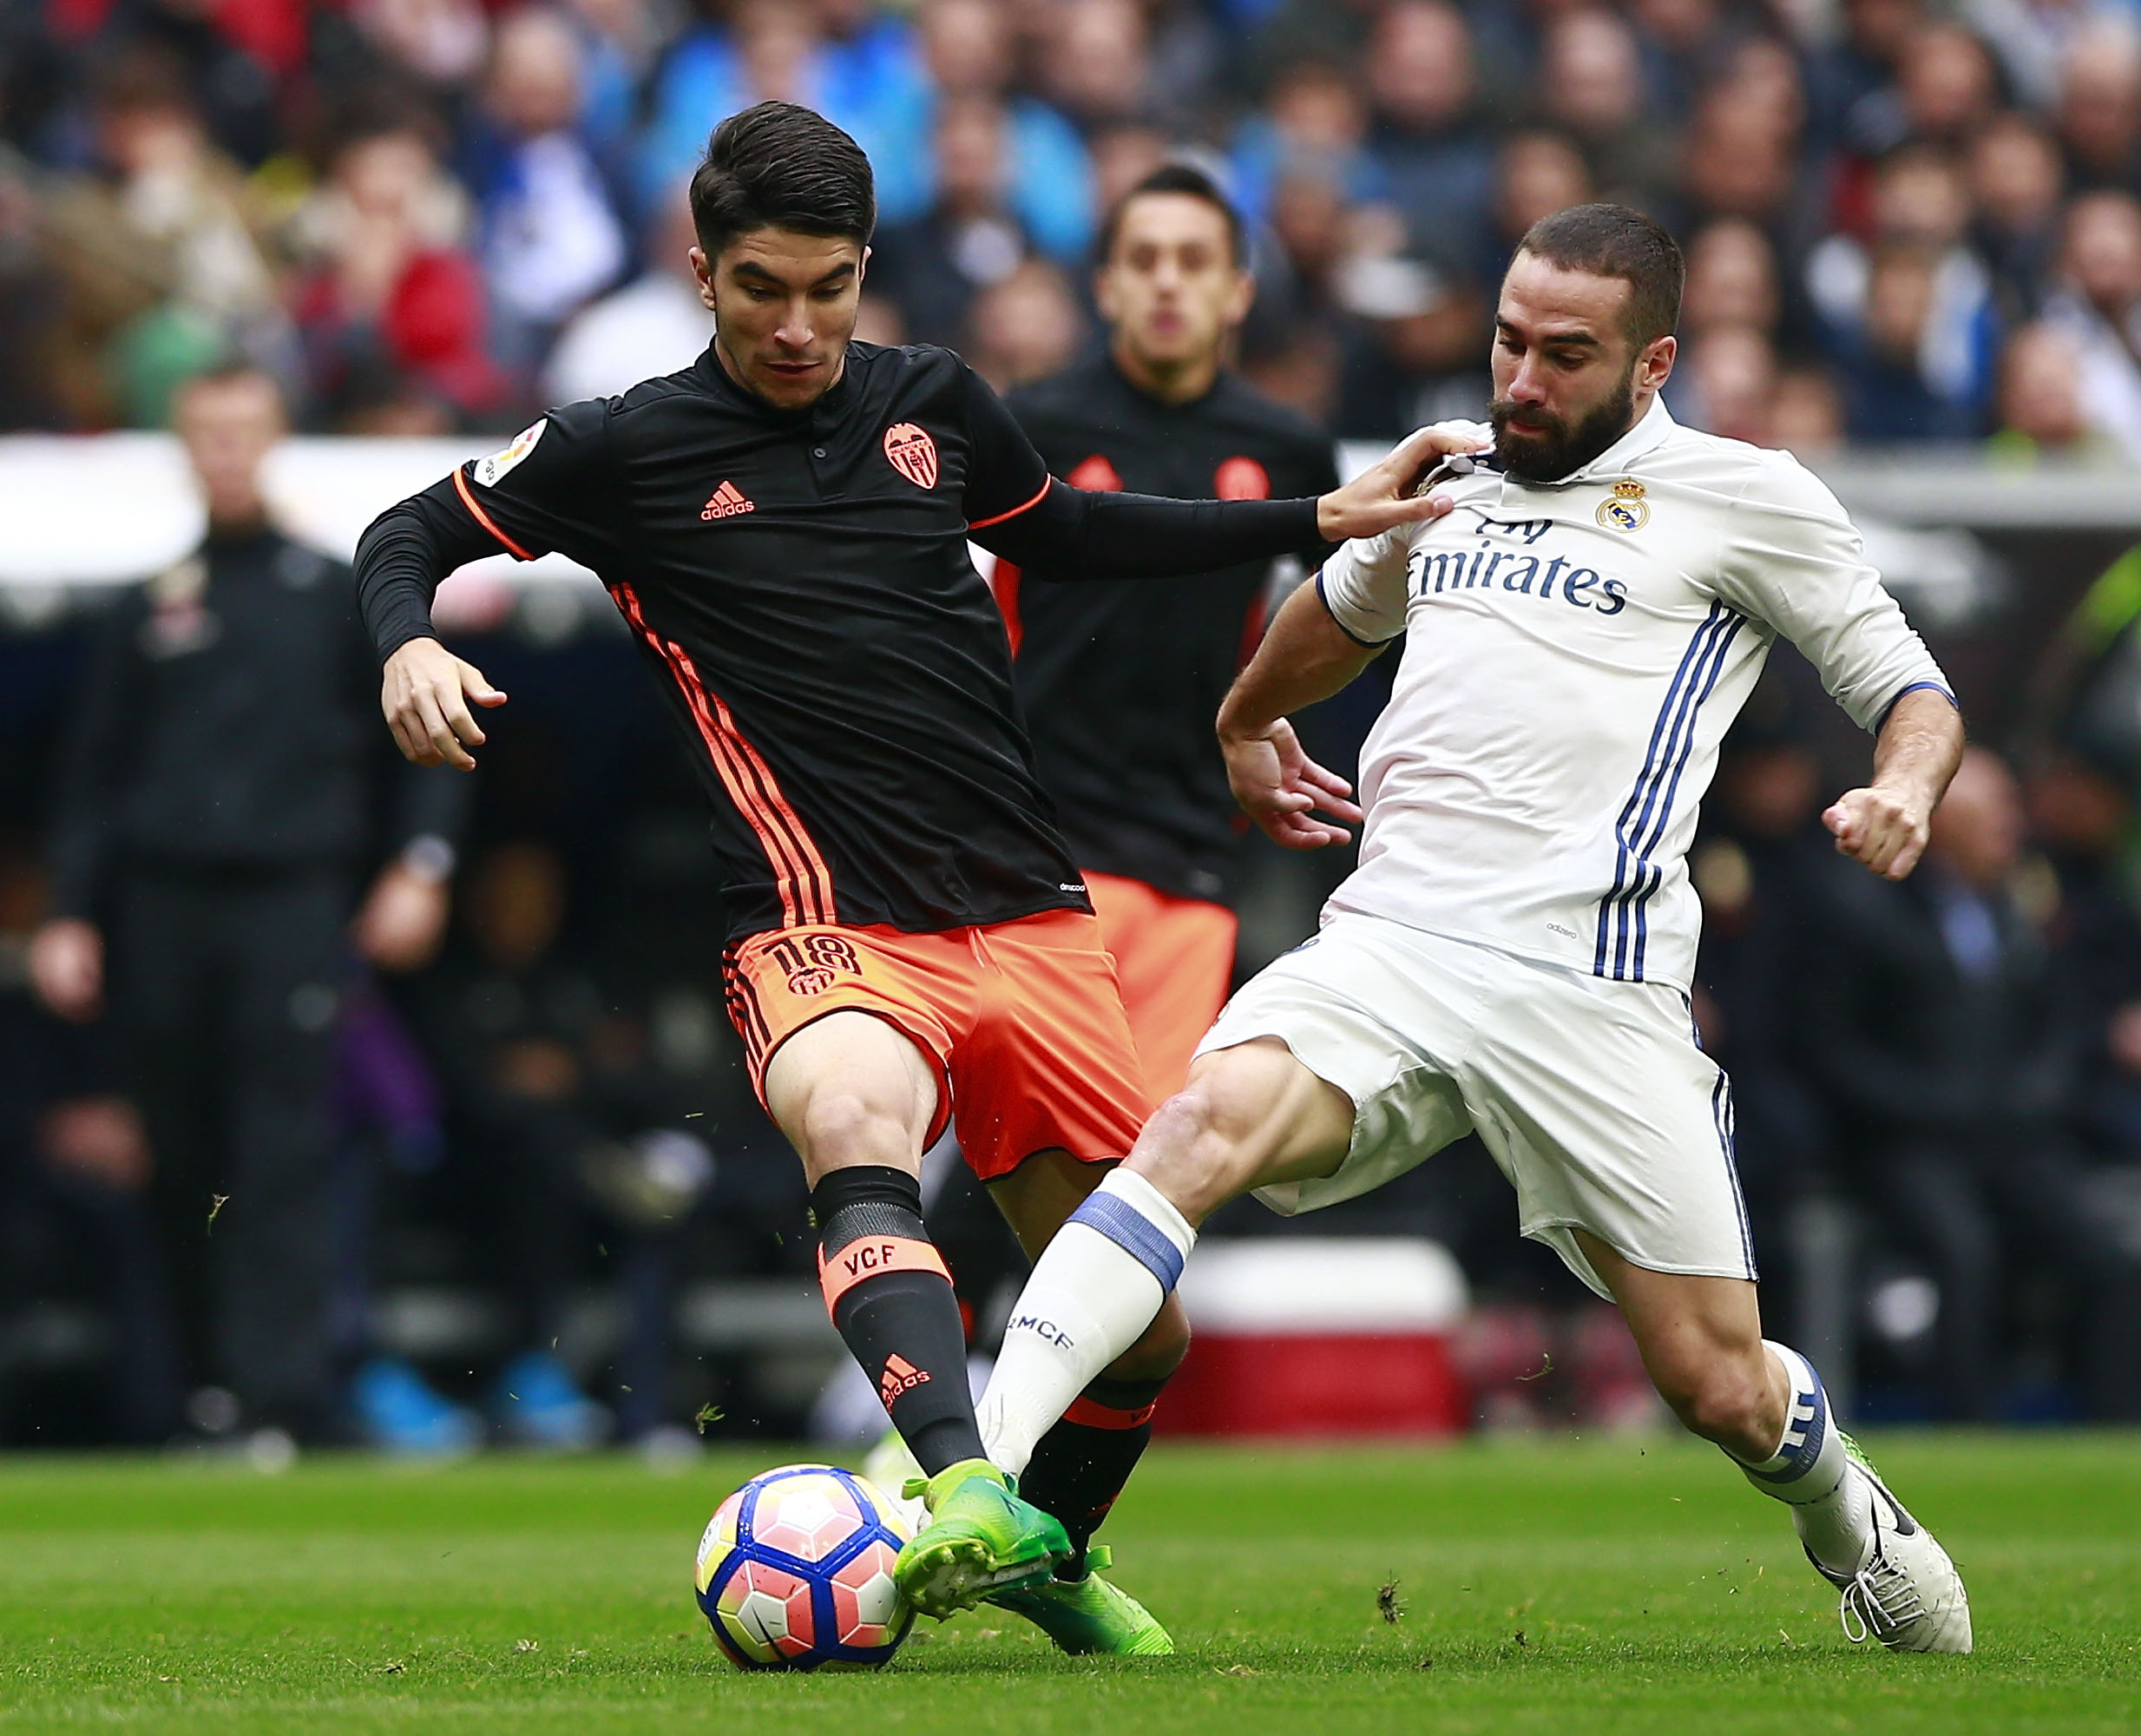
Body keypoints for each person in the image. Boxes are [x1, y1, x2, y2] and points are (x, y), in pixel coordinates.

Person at [351, 102, 1469, 1650]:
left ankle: (1041, 1560)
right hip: (818, 922)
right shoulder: (625, 448)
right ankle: (955, 1486)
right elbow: (408, 527)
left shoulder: (935, 402)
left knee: (1140, 1341)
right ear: (700, 271)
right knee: (855, 1123)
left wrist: (1316, 517)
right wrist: (408, 642)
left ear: (866, 269)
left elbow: (1071, 531)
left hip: (1025, 908)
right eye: (761, 290)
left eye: (829, 288)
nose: (799, 326)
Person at [956, 204, 1975, 1654]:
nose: (1522, 380)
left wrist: (1905, 787)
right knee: (1194, 1132)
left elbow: (1909, 686)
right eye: (1509, 339)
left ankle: (1843, 1513)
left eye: (1567, 355)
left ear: (1653, 363)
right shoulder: (1453, 472)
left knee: (1719, 1388)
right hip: (1394, 947)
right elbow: (1336, 605)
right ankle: (975, 1486)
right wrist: (1249, 719)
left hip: (1592, 994)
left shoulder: (1744, 496)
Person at [29, 364, 468, 1450]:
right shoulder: (151, 604)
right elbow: (91, 778)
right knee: (171, 1151)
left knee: (282, 1154)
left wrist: (421, 864)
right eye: (206, 435)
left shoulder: (331, 592)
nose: (225, 453)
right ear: (183, 446)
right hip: (159, 908)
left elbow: (425, 743)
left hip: (291, 903)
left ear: (274, 441)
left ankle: (277, 1397)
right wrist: (68, 913)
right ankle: (201, 1390)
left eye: (242, 433)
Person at [1001, 163, 1339, 1095]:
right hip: (1038, 837)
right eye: (1143, 259)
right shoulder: (1029, 426)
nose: (1166, 281)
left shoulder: (1285, 448)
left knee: (1137, 1153)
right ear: (1105, 284)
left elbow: (1341, 620)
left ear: (1237, 291)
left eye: (1193, 261)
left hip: (1194, 837)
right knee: (1034, 1130)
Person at [1799, 749, 2141, 1421]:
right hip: (1909, 1145)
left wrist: (2027, 1099)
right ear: (1940, 820)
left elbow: (2059, 1027)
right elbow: (1832, 1051)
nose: (2013, 826)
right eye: (1996, 811)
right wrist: (1936, 1107)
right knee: (1963, 1251)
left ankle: (2118, 1432)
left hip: (2011, 1140)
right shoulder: (1861, 909)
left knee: (2109, 1256)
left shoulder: (2019, 910)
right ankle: (1971, 1431)